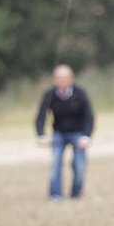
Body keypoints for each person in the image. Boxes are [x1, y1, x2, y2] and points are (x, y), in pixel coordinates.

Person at [35, 64, 95, 201]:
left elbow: (89, 116)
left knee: (79, 166)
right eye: (59, 77)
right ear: (54, 79)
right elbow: (41, 116)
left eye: (65, 77)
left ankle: (75, 194)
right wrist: (41, 135)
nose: (62, 80)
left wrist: (86, 135)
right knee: (55, 164)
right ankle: (56, 195)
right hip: (59, 133)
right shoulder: (50, 95)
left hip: (78, 133)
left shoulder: (80, 93)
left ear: (71, 78)